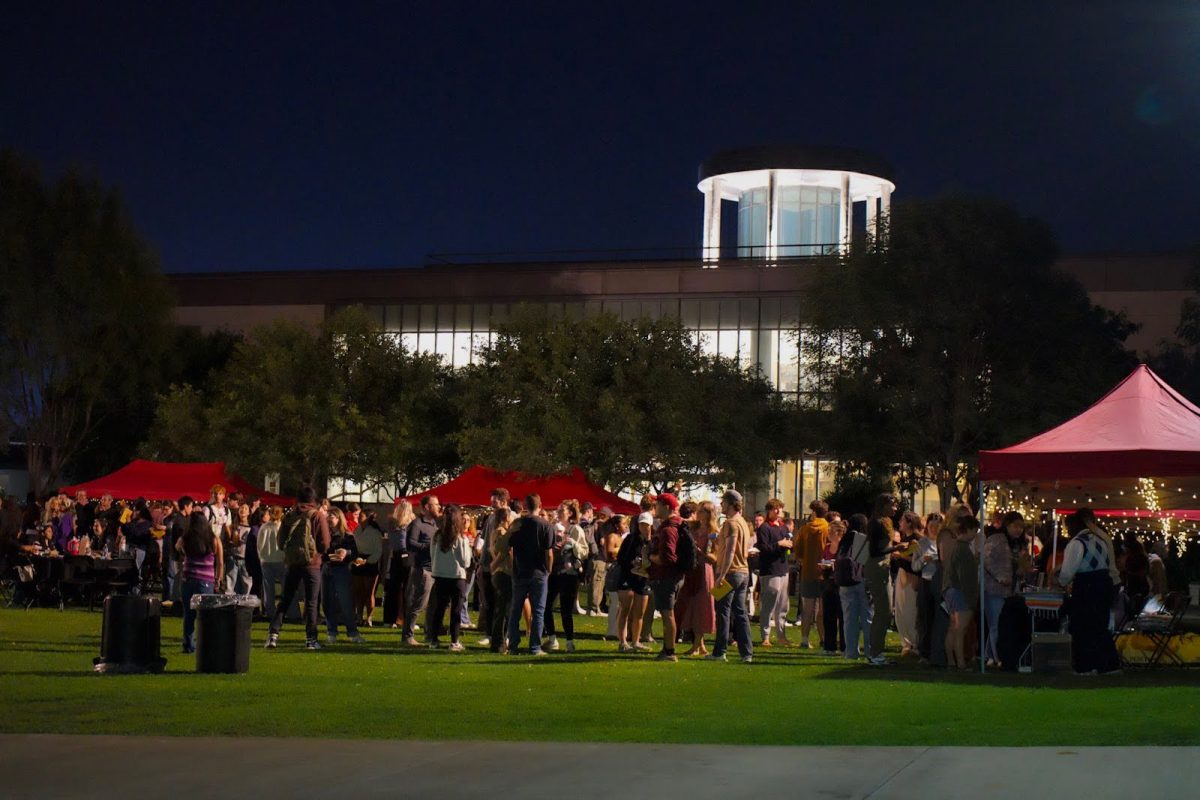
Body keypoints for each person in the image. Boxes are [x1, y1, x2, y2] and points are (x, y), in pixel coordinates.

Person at [266, 486, 332, 650]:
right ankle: (311, 639)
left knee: (285, 600)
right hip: (312, 563)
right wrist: (318, 553)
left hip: (293, 563)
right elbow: (325, 543)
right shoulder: (317, 515)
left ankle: (273, 635)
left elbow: (280, 542)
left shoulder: (290, 515)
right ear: (313, 500)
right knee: (311, 602)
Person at [1059, 509, 1122, 675]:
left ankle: (1085, 666)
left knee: (1082, 626)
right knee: (1100, 626)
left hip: (1086, 586)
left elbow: (1067, 572)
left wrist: (1060, 582)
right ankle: (1108, 664)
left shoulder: (1076, 543)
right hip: (1104, 584)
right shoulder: (1101, 540)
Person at [506, 494, 555, 655]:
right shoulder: (546, 526)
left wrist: (513, 567)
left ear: (525, 505)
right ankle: (534, 646)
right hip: (539, 572)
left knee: (515, 609)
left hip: (521, 571)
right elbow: (549, 553)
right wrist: (548, 569)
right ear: (540, 505)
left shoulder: (518, 524)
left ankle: (513, 644)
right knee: (538, 610)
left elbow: (510, 548)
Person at [710, 489, 754, 663]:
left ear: (730, 503)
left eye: (723, 502)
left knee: (722, 611)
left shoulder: (730, 523)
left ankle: (720, 651)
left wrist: (721, 574)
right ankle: (746, 653)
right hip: (743, 571)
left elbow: (730, 550)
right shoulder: (743, 521)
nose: (721, 505)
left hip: (730, 572)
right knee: (741, 612)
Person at [422, 503, 473, 651]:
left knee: (439, 609)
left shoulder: (437, 536)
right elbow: (466, 562)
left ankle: (433, 639)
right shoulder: (460, 538)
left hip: (440, 575)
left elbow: (432, 555)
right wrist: (468, 548)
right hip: (456, 577)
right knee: (456, 610)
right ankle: (454, 641)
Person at [544, 499, 589, 652]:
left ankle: (569, 641)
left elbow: (584, 551)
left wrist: (572, 544)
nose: (558, 513)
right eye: (558, 510)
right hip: (556, 571)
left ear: (570, 513)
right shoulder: (555, 528)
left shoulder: (576, 529)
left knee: (565, 609)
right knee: (547, 605)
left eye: (562, 510)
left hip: (570, 574)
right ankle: (552, 638)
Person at [176, 510, 223, 654]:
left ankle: (188, 644)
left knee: (188, 615)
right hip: (206, 581)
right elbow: (220, 562)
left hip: (188, 579)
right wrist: (218, 579)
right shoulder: (213, 539)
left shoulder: (186, 538)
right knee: (205, 615)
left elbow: (178, 548)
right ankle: (206, 643)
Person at [982, 511, 1023, 666]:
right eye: (1015, 526)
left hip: (1004, 590)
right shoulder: (997, 539)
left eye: (1021, 527)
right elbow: (986, 559)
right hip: (993, 588)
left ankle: (990, 655)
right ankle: (1000, 657)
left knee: (996, 622)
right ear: (1007, 525)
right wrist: (999, 576)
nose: (1018, 530)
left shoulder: (1012, 543)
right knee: (996, 624)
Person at [864, 493, 901, 665]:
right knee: (883, 611)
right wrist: (896, 548)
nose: (895, 508)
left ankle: (875, 650)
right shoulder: (877, 523)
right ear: (883, 505)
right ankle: (875, 652)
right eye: (892, 505)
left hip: (883, 567)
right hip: (877, 568)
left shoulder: (885, 521)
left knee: (885, 611)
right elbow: (875, 551)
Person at [648, 493, 685, 662]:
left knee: (667, 614)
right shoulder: (675, 526)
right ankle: (667, 648)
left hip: (667, 576)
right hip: (672, 576)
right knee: (667, 613)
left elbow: (668, 558)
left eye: (658, 505)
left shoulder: (669, 529)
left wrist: (650, 557)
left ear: (667, 507)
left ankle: (670, 651)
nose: (656, 508)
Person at [679, 500, 717, 657]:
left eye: (702, 511)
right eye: (699, 511)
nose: (699, 514)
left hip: (704, 570)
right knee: (692, 606)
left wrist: (701, 551)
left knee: (702, 606)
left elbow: (715, 557)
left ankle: (696, 645)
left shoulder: (713, 532)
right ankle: (699, 645)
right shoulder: (693, 527)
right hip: (692, 569)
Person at [322, 508, 365, 644]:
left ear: (339, 518)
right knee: (328, 602)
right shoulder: (323, 535)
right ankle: (331, 632)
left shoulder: (347, 536)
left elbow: (355, 553)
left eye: (332, 516)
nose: (329, 519)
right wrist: (328, 556)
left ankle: (352, 632)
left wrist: (346, 552)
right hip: (327, 569)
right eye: (328, 516)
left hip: (341, 571)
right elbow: (318, 552)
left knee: (345, 602)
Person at [402, 495, 440, 647]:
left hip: (434, 569)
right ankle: (408, 636)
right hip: (423, 569)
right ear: (426, 507)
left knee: (433, 605)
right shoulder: (417, 524)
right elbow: (410, 543)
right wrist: (429, 546)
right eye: (435, 504)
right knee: (419, 604)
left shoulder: (434, 525)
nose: (439, 507)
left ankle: (429, 635)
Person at [756, 498, 794, 647]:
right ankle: (765, 636)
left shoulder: (783, 527)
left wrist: (790, 544)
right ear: (769, 511)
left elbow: (788, 544)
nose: (778, 511)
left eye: (779, 508)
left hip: (783, 568)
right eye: (774, 509)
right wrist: (779, 544)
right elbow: (764, 549)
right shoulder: (764, 528)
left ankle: (781, 636)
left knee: (783, 605)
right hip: (770, 570)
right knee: (768, 605)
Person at [945, 515, 981, 670]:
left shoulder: (956, 547)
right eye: (975, 531)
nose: (975, 535)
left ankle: (951, 661)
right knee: (960, 629)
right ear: (969, 530)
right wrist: (972, 598)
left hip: (952, 592)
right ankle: (960, 662)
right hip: (962, 593)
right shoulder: (963, 549)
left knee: (953, 628)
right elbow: (965, 577)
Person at [796, 500, 829, 648]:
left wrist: (804, 560)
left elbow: (798, 551)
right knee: (823, 610)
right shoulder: (828, 528)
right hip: (824, 573)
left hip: (808, 572)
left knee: (807, 609)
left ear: (814, 512)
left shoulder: (805, 529)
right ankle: (824, 638)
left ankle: (804, 639)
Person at [911, 512, 942, 663]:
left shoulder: (944, 542)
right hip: (926, 582)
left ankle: (938, 650)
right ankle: (924, 652)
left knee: (939, 617)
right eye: (931, 526)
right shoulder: (921, 543)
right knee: (925, 617)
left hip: (941, 582)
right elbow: (914, 566)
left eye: (937, 527)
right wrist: (924, 559)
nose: (934, 529)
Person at [893, 511, 924, 657]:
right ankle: (906, 642)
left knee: (910, 610)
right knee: (900, 610)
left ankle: (914, 642)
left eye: (902, 521)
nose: (900, 523)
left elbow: (917, 560)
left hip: (911, 577)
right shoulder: (905, 539)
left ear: (910, 522)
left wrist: (901, 556)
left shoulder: (917, 539)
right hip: (902, 575)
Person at [487, 498, 516, 653]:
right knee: (503, 611)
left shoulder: (495, 532)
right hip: (503, 572)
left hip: (500, 572)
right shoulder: (501, 532)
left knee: (503, 610)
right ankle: (499, 643)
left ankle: (499, 641)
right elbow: (503, 551)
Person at [383, 500, 414, 628]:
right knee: (407, 588)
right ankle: (404, 619)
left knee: (394, 589)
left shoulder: (393, 522)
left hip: (397, 555)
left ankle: (390, 619)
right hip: (405, 555)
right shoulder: (409, 522)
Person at [352, 510, 384, 626]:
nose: (359, 518)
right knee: (358, 591)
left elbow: (378, 550)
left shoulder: (375, 532)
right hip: (358, 561)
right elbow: (353, 545)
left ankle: (369, 618)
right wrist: (355, 558)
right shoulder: (357, 530)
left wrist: (368, 561)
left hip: (370, 562)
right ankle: (359, 616)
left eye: (362, 516)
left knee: (369, 592)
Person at [819, 518, 846, 656]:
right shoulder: (827, 547)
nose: (828, 534)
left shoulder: (844, 547)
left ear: (838, 533)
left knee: (842, 616)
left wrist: (834, 564)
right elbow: (823, 559)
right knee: (828, 615)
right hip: (828, 583)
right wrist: (824, 565)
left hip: (840, 583)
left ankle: (844, 646)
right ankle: (829, 646)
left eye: (830, 531)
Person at [256, 505, 287, 620]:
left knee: (269, 589)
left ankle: (270, 612)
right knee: (287, 587)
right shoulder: (283, 528)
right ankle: (291, 612)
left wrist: (261, 558)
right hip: (281, 560)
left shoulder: (264, 527)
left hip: (267, 561)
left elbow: (259, 545)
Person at [582, 503, 607, 616]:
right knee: (597, 583)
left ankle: (591, 608)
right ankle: (594, 608)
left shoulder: (591, 524)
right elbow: (601, 541)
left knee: (593, 583)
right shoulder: (599, 525)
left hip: (591, 558)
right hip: (598, 557)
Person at [223, 502, 254, 594]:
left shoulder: (251, 529)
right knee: (230, 584)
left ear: (249, 513)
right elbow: (227, 541)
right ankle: (230, 605)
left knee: (247, 584)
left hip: (245, 559)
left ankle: (246, 605)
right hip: (233, 557)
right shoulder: (233, 526)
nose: (243, 510)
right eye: (241, 508)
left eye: (245, 508)